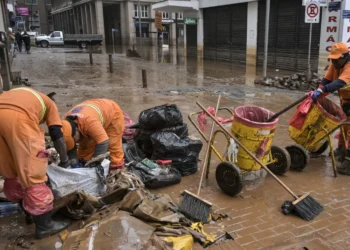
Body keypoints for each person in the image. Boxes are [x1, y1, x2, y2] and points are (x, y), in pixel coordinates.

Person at [0, 87, 71, 239]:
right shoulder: (50, 104)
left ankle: (29, 214)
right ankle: (45, 226)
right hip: (18, 120)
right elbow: (56, 133)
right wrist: (65, 161)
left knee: (12, 172)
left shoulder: (22, 93)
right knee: (33, 176)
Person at [61, 99, 125, 169]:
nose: (74, 142)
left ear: (76, 130)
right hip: (91, 116)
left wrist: (95, 162)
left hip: (112, 114)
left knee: (113, 146)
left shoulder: (89, 122)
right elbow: (71, 149)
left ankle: (116, 168)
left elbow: (103, 142)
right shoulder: (64, 124)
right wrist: (74, 164)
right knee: (85, 151)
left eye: (73, 139)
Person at [312, 42, 350, 155]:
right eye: (333, 59)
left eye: (336, 60)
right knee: (344, 125)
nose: (334, 62)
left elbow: (340, 82)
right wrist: (319, 89)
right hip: (346, 100)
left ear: (345, 57)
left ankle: (348, 160)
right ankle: (341, 149)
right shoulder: (336, 65)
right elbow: (327, 80)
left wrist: (323, 90)